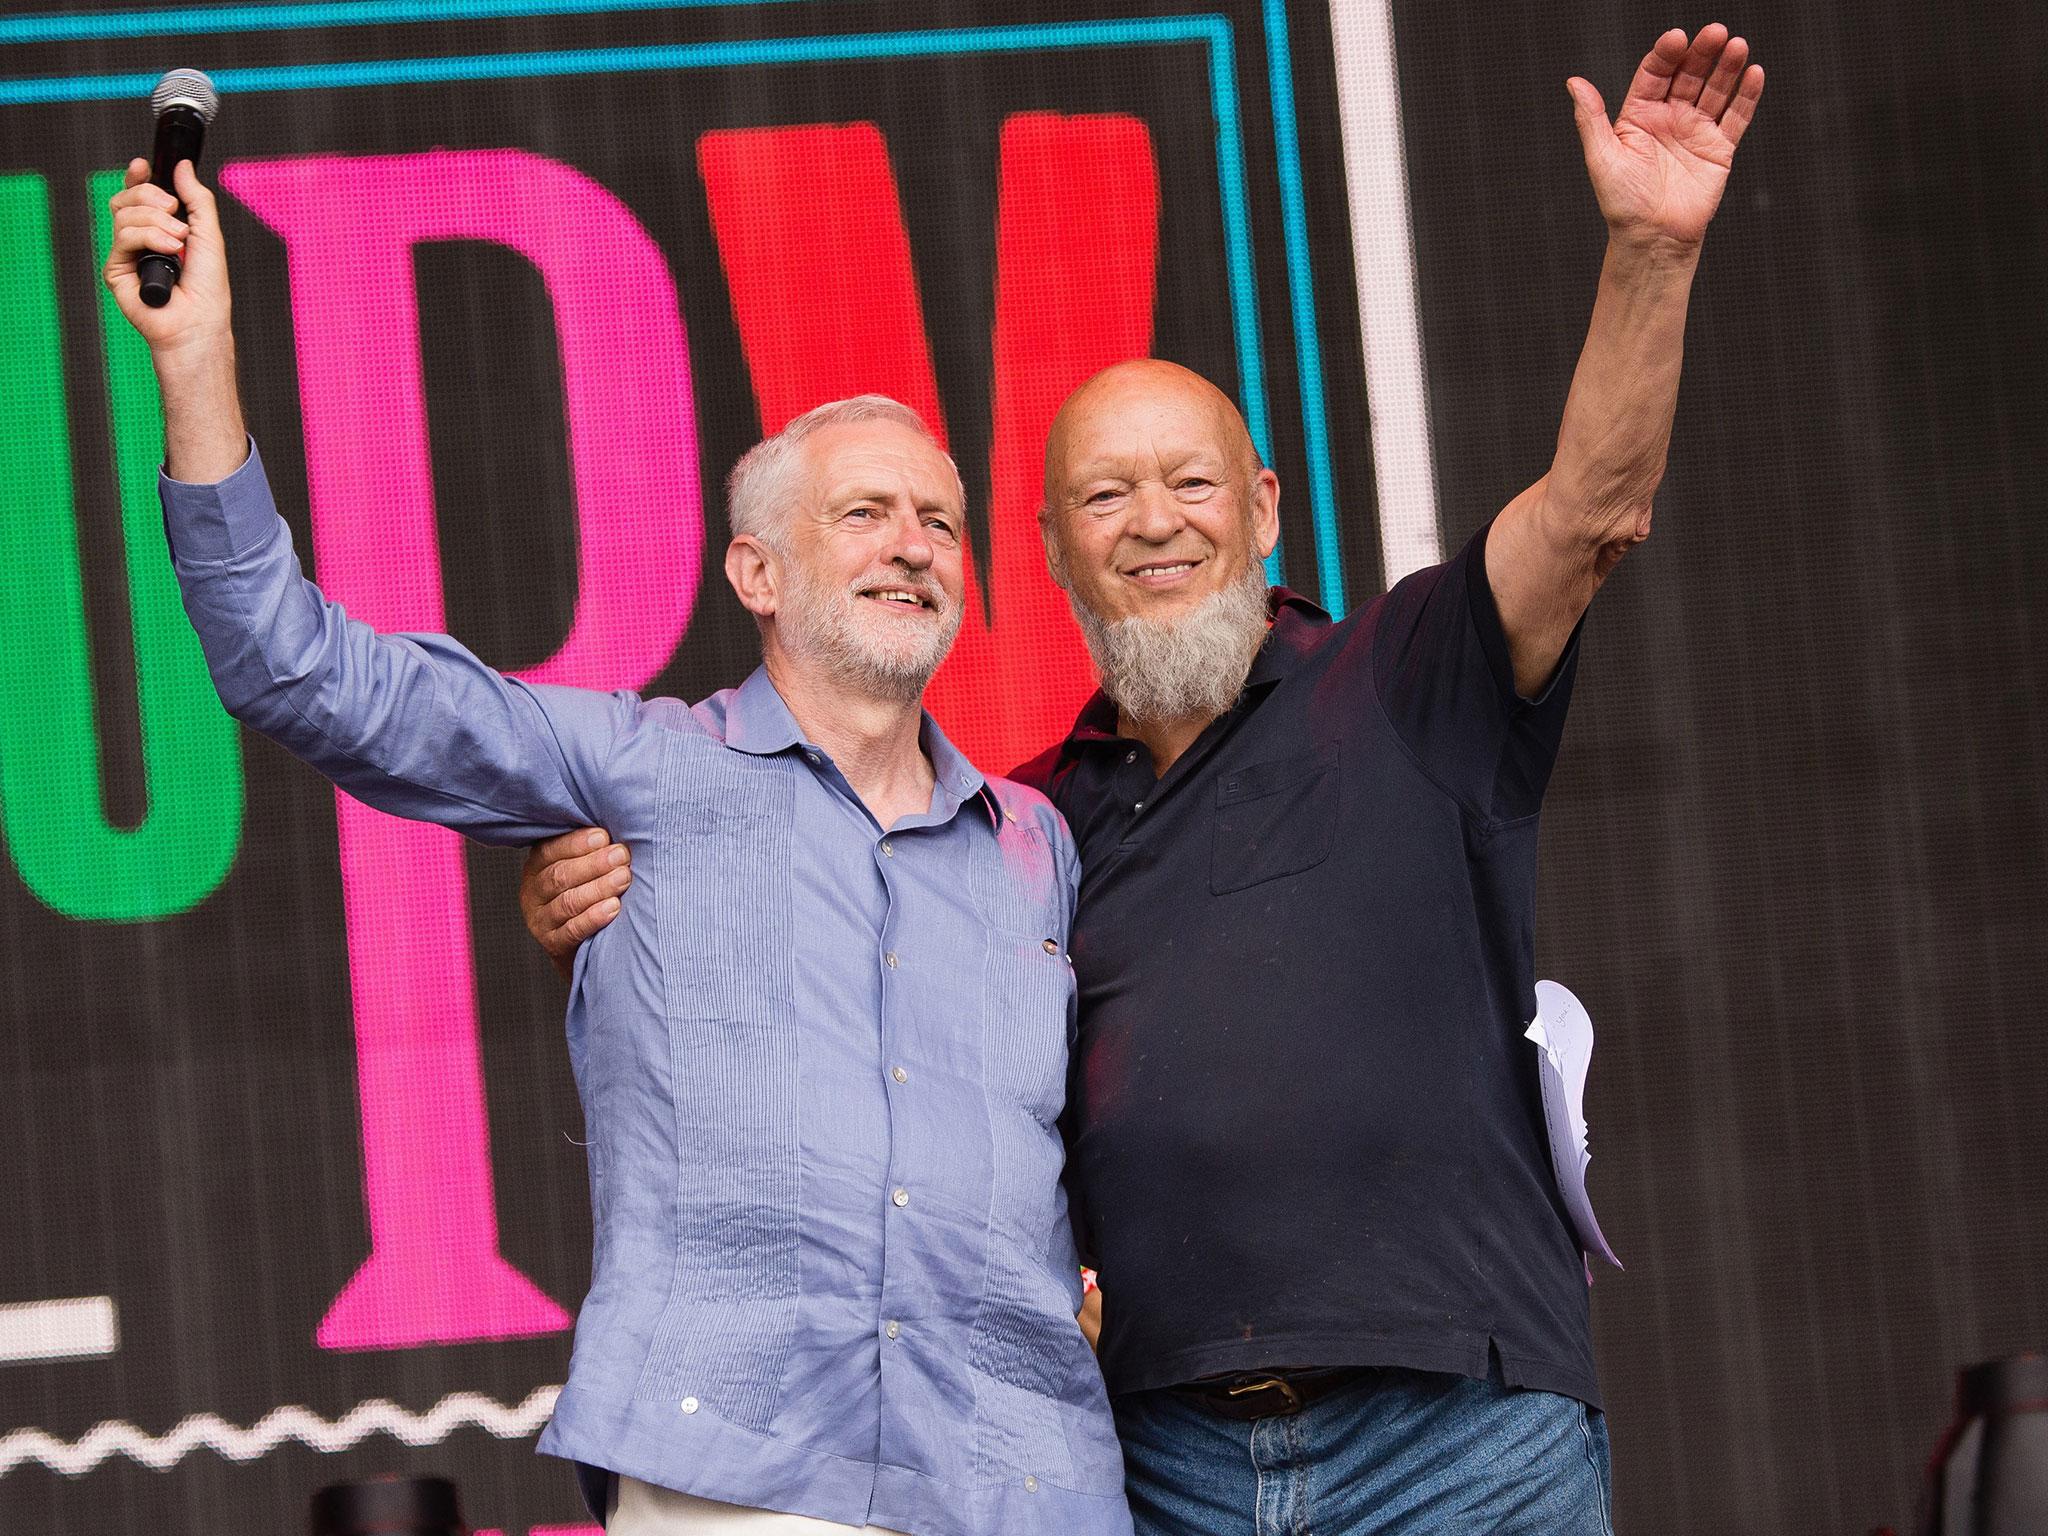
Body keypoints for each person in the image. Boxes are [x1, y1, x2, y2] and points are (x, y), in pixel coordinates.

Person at [525, 25, 1765, 1533]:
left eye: (1191, 483)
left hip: (1454, 1435)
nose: (1154, 522)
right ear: (1047, 556)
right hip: (1163, 1461)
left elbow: (1590, 510)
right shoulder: (1025, 822)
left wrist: (1649, 253)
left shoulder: (1413, 675)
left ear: (1264, 512)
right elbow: (828, 942)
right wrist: (621, 876)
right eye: (1105, 495)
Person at [103, 164, 1129, 1536]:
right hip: (743, 1474)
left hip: (1021, 1478)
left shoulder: (1040, 847)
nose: (913, 547)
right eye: (865, 514)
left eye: (939, 520)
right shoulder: (643, 772)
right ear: (757, 574)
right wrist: (199, 358)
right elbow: (295, 667)